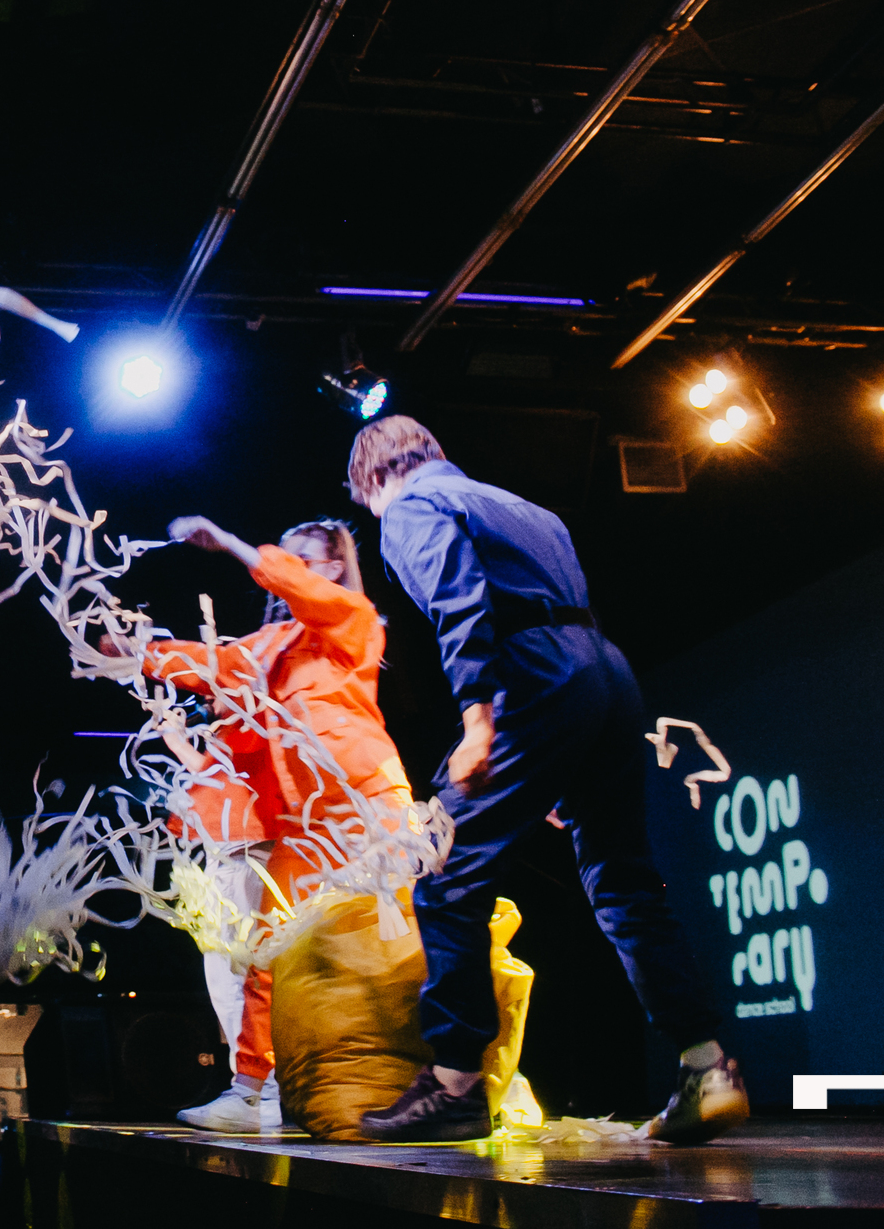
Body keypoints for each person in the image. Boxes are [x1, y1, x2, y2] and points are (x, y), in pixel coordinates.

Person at [346, 415, 746, 1144]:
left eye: (368, 503)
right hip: (604, 671)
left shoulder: (411, 506)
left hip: (531, 672)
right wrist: (559, 763)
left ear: (374, 478)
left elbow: (458, 599)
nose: (376, 517)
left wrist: (477, 718)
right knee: (624, 883)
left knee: (444, 868)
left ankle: (455, 1083)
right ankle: (707, 1066)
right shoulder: (528, 510)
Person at [106, 516, 414, 1133]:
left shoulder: (354, 620)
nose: (281, 566)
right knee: (267, 951)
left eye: (300, 559)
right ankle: (254, 1092)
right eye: (283, 557)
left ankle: (431, 1079)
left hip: (364, 806)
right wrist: (137, 653)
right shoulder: (270, 645)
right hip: (300, 821)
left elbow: (302, 590)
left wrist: (227, 541)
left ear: (332, 568)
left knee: (396, 946)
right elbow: (210, 663)